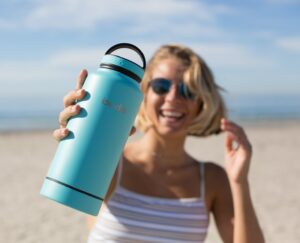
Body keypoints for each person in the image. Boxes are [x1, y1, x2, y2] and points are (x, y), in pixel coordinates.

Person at [53, 44, 265, 243]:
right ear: (143, 93)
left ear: (202, 103)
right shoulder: (112, 163)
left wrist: (239, 182)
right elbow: (68, 182)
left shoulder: (212, 179)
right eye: (161, 87)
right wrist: (81, 122)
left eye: (188, 91)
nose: (173, 98)